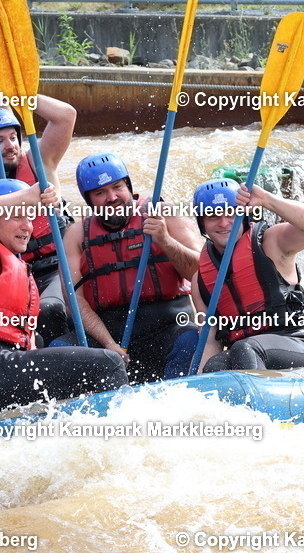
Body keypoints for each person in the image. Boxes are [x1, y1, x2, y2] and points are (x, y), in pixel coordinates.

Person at [0, 178, 127, 411]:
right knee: (108, 364)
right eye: (17, 217)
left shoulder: (13, 264)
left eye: (29, 217)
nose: (27, 226)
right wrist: (28, 195)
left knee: (43, 342)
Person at [60, 152, 200, 383]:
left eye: (117, 187)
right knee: (61, 349)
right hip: (108, 331)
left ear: (128, 185)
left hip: (168, 325)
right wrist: (108, 344)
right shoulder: (76, 235)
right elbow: (74, 300)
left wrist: (165, 240)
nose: (112, 197)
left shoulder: (162, 212)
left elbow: (199, 272)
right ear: (89, 200)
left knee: (192, 342)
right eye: (100, 193)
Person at [0, 107, 76, 343]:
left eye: (13, 137)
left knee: (48, 310)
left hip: (59, 264)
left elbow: (65, 116)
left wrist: (15, 94)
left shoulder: (39, 162)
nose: (10, 145)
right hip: (15, 274)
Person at [190, 178, 304, 373]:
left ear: (243, 214)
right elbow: (210, 341)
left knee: (246, 348)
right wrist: (198, 384)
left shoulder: (271, 242)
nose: (224, 223)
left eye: (231, 213)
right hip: (245, 353)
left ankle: (259, 403)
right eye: (213, 216)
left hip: (295, 344)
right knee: (214, 366)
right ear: (202, 223)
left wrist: (266, 200)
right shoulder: (200, 280)